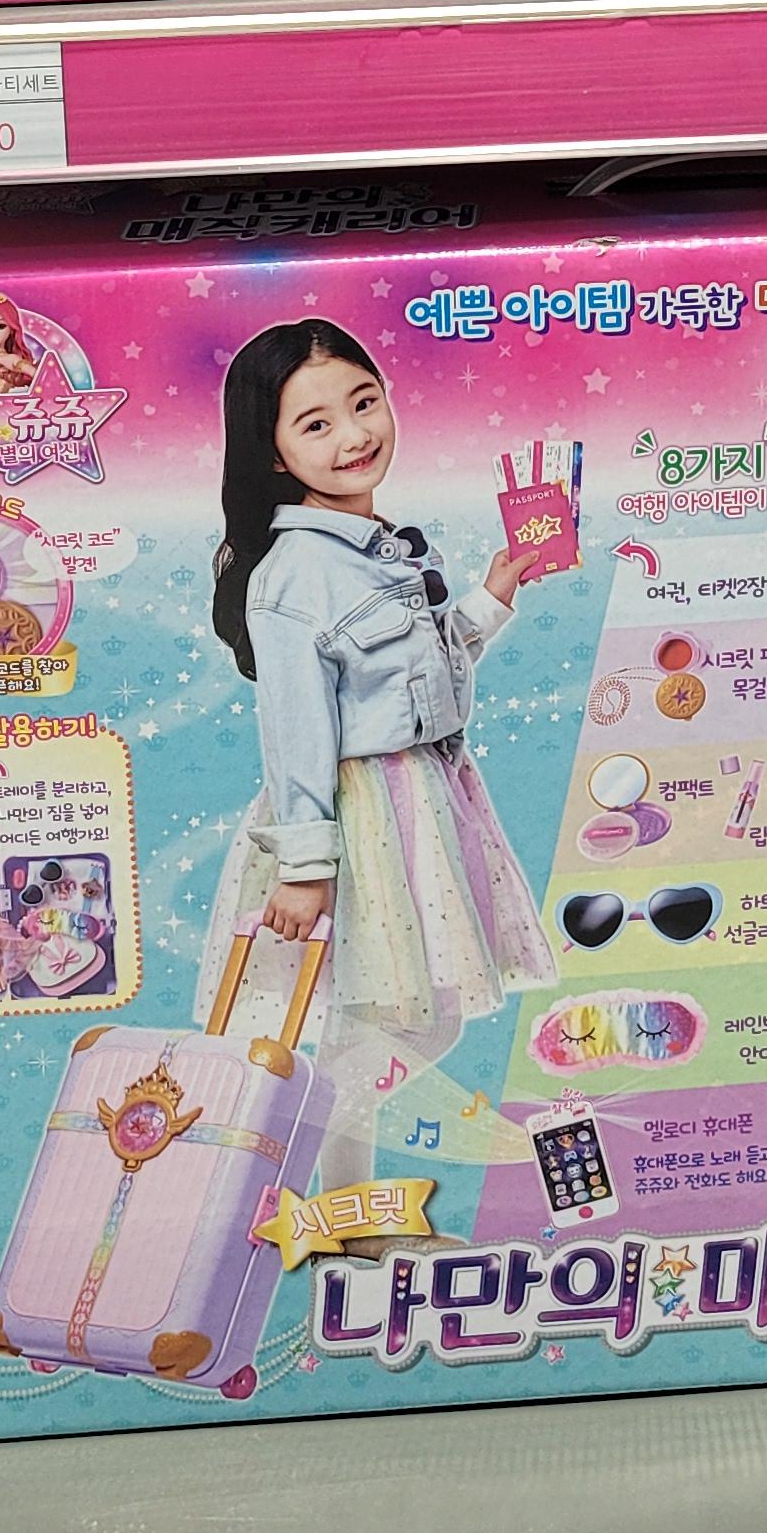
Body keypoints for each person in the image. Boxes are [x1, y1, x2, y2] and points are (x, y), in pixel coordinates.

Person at [198, 320, 560, 1193]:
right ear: (274, 452)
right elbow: (295, 730)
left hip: (422, 795)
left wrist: (491, 597)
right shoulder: (292, 575)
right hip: (361, 810)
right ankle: (321, 1182)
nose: (354, 435)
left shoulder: (381, 545)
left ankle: (340, 1201)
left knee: (411, 1015)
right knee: (399, 1016)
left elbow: (409, 675)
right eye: (315, 424)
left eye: (364, 403)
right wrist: (305, 866)